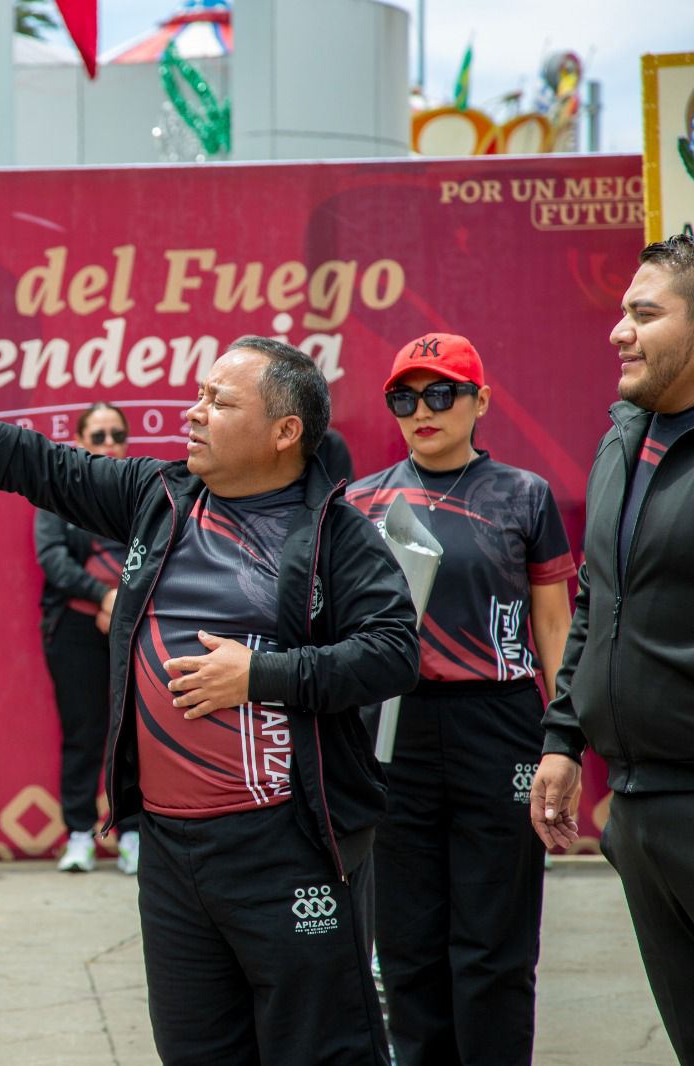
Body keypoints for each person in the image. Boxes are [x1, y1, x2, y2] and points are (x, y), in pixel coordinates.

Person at [0, 337, 419, 1064]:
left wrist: (260, 675)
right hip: (174, 855)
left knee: (320, 1049)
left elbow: (395, 652)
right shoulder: (158, 497)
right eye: (200, 394)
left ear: (285, 432)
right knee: (195, 1048)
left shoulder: (338, 535)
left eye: (221, 401)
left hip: (289, 844)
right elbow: (40, 464)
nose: (196, 412)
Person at [348, 333, 574, 1066]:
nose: (423, 409)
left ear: (480, 401)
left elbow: (552, 622)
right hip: (393, 729)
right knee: (407, 945)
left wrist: (560, 739)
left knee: (493, 946)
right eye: (404, 396)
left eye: (442, 393)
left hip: (498, 725)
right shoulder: (360, 501)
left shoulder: (523, 495)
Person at [531, 233, 694, 1065]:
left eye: (644, 313)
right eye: (621, 312)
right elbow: (597, 596)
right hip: (635, 811)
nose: (617, 332)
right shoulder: (623, 436)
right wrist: (563, 740)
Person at [34, 403, 140, 875]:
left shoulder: (143, 491)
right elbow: (52, 557)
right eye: (98, 436)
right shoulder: (58, 491)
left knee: (134, 734)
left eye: (116, 434)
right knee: (83, 733)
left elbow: (163, 553)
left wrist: (122, 603)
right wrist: (102, 597)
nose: (109, 443)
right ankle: (79, 835)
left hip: (136, 626)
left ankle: (132, 834)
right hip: (76, 629)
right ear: (79, 441)